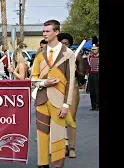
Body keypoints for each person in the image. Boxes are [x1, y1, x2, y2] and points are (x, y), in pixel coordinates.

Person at [31, 20, 75, 168]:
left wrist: (66, 104)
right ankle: (42, 164)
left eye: (47, 31)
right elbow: (33, 78)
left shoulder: (68, 53)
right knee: (41, 135)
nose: (44, 33)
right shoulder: (40, 54)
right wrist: (44, 83)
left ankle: (57, 165)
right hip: (41, 100)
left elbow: (70, 80)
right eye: (43, 31)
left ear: (56, 32)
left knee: (58, 137)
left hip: (59, 101)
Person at [58, 32, 85, 158]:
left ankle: (72, 147)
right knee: (59, 118)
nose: (64, 45)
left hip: (72, 88)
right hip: (58, 89)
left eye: (66, 43)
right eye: (62, 43)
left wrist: (74, 68)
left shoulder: (77, 56)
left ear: (70, 45)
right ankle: (62, 146)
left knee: (71, 118)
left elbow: (82, 76)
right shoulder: (55, 57)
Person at [86, 44, 99, 111]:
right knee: (92, 91)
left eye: (95, 49)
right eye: (93, 49)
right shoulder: (89, 57)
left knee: (97, 91)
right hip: (91, 74)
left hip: (97, 74)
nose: (94, 51)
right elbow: (88, 66)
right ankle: (93, 105)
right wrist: (86, 75)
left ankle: (97, 105)